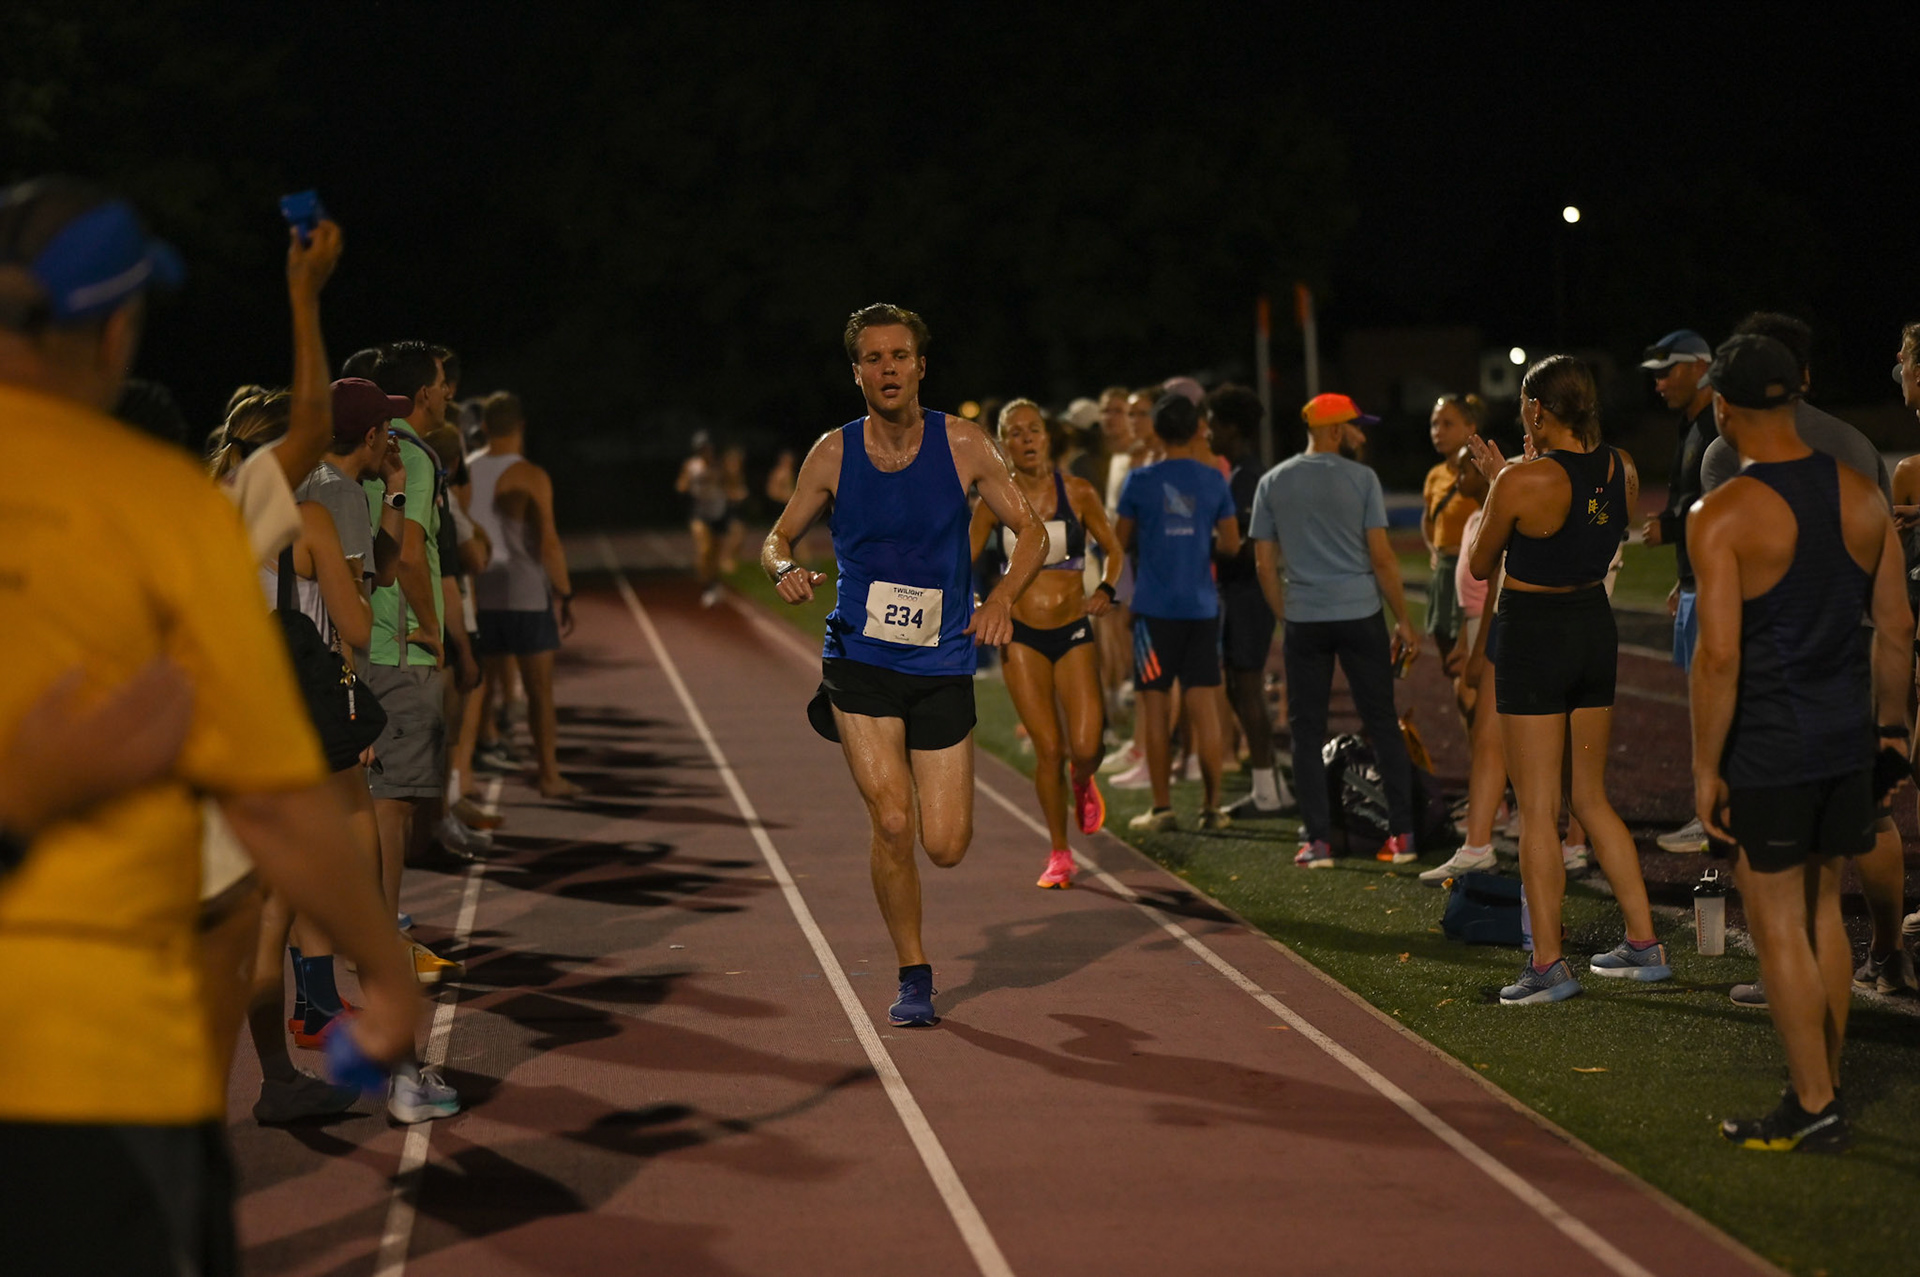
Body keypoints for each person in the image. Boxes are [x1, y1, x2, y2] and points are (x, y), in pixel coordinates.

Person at [0, 175, 422, 1276]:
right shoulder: (162, 508)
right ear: (116, 328)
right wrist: (386, 972)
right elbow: (274, 796)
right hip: (94, 1055)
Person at [763, 303, 1043, 1028]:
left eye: (899, 356)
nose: (887, 369)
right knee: (892, 818)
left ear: (921, 365)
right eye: (873, 358)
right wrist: (783, 569)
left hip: (942, 659)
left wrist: (1002, 596)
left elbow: (1031, 529)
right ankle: (914, 973)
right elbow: (777, 537)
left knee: (944, 844)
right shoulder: (833, 452)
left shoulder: (965, 443)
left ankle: (917, 918)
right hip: (859, 657)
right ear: (856, 373)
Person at [1688, 333, 1911, 1152]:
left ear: (1723, 406)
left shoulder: (1721, 514)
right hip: (1846, 732)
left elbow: (1718, 656)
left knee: (1777, 913)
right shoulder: (1863, 493)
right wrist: (1893, 732)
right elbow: (1897, 626)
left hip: (1772, 738)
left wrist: (1705, 767)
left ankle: (1814, 1100)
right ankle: (1825, 1083)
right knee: (1823, 909)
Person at [1465, 356, 1667, 1005]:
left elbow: (1480, 561)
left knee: (1536, 810)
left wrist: (1501, 481)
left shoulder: (1520, 480)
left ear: (1536, 409)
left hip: (1535, 636)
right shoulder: (1621, 466)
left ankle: (1549, 963)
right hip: (1593, 627)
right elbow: (1593, 528)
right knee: (1591, 798)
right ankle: (1644, 942)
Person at [1251, 394, 1419, 867]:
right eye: (1354, 426)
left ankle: (1318, 842)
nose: (1361, 435)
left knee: (1306, 731)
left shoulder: (1272, 482)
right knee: (1381, 722)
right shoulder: (1362, 479)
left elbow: (1264, 564)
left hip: (1305, 617)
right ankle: (1402, 836)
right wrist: (1404, 619)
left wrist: (1286, 615)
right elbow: (1381, 557)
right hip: (1360, 613)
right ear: (1335, 431)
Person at [969, 399, 1123, 886]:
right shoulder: (993, 501)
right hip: (1021, 635)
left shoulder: (1077, 492)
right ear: (1003, 445)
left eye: (1033, 429)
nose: (1027, 439)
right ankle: (1059, 853)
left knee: (1086, 747)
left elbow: (1113, 549)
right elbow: (959, 561)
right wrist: (978, 601)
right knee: (1049, 749)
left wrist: (1106, 588)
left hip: (1073, 629)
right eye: (1015, 433)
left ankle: (1083, 778)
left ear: (1047, 436)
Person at [361, 340, 465, 985]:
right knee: (392, 805)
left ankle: (371, 933)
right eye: (444, 382)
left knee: (368, 805)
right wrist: (433, 627)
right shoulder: (411, 455)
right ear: (423, 393)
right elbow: (409, 550)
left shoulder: (366, 445)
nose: (449, 392)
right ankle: (384, 942)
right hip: (397, 645)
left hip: (359, 638)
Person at [1112, 394, 1241, 832]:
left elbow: (1119, 542)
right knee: (1204, 708)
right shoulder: (1213, 479)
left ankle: (1162, 809)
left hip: (1154, 610)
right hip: (1201, 607)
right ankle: (1212, 808)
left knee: (1154, 707)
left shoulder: (1140, 480)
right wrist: (1198, 544)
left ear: (1158, 430)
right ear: (1197, 429)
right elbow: (1231, 544)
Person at [1630, 329, 1720, 854]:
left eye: (1669, 372)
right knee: (1700, 709)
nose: (1660, 383)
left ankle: (1716, 815)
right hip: (1695, 581)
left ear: (1701, 367)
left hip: (1712, 588)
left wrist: (1674, 527)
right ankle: (1711, 811)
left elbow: (1724, 505)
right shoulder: (1692, 425)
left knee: (1714, 710)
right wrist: (1683, 573)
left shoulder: (1717, 426)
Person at [467, 391, 580, 799]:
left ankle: (466, 773)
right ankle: (549, 774)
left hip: (479, 591)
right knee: (538, 692)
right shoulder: (531, 475)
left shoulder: (464, 470)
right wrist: (565, 592)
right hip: (525, 593)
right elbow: (548, 542)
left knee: (479, 687)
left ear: (483, 426)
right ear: (521, 427)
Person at [1202, 384, 1293, 817]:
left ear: (1233, 429)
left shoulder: (1248, 478)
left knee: (1248, 688)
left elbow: (1240, 546)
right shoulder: (1242, 473)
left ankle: (1267, 790)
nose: (1207, 433)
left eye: (1213, 425)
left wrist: (1198, 539)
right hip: (1242, 592)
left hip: (1248, 593)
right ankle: (1270, 784)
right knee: (1241, 689)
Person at [1421, 393, 1483, 664]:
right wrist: (1434, 550)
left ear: (1470, 427)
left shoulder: (1480, 471)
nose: (1438, 431)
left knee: (1472, 663)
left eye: (1448, 424)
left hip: (1473, 575)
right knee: (1449, 662)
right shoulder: (1434, 475)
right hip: (1445, 573)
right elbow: (1428, 519)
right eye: (1434, 424)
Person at [678, 431, 731, 607]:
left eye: (706, 448)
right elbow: (681, 485)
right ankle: (706, 587)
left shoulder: (720, 465)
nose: (704, 452)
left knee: (715, 554)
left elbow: (731, 483)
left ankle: (714, 583)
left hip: (719, 512)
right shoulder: (692, 466)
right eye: (701, 449)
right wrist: (691, 484)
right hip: (700, 513)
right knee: (704, 549)